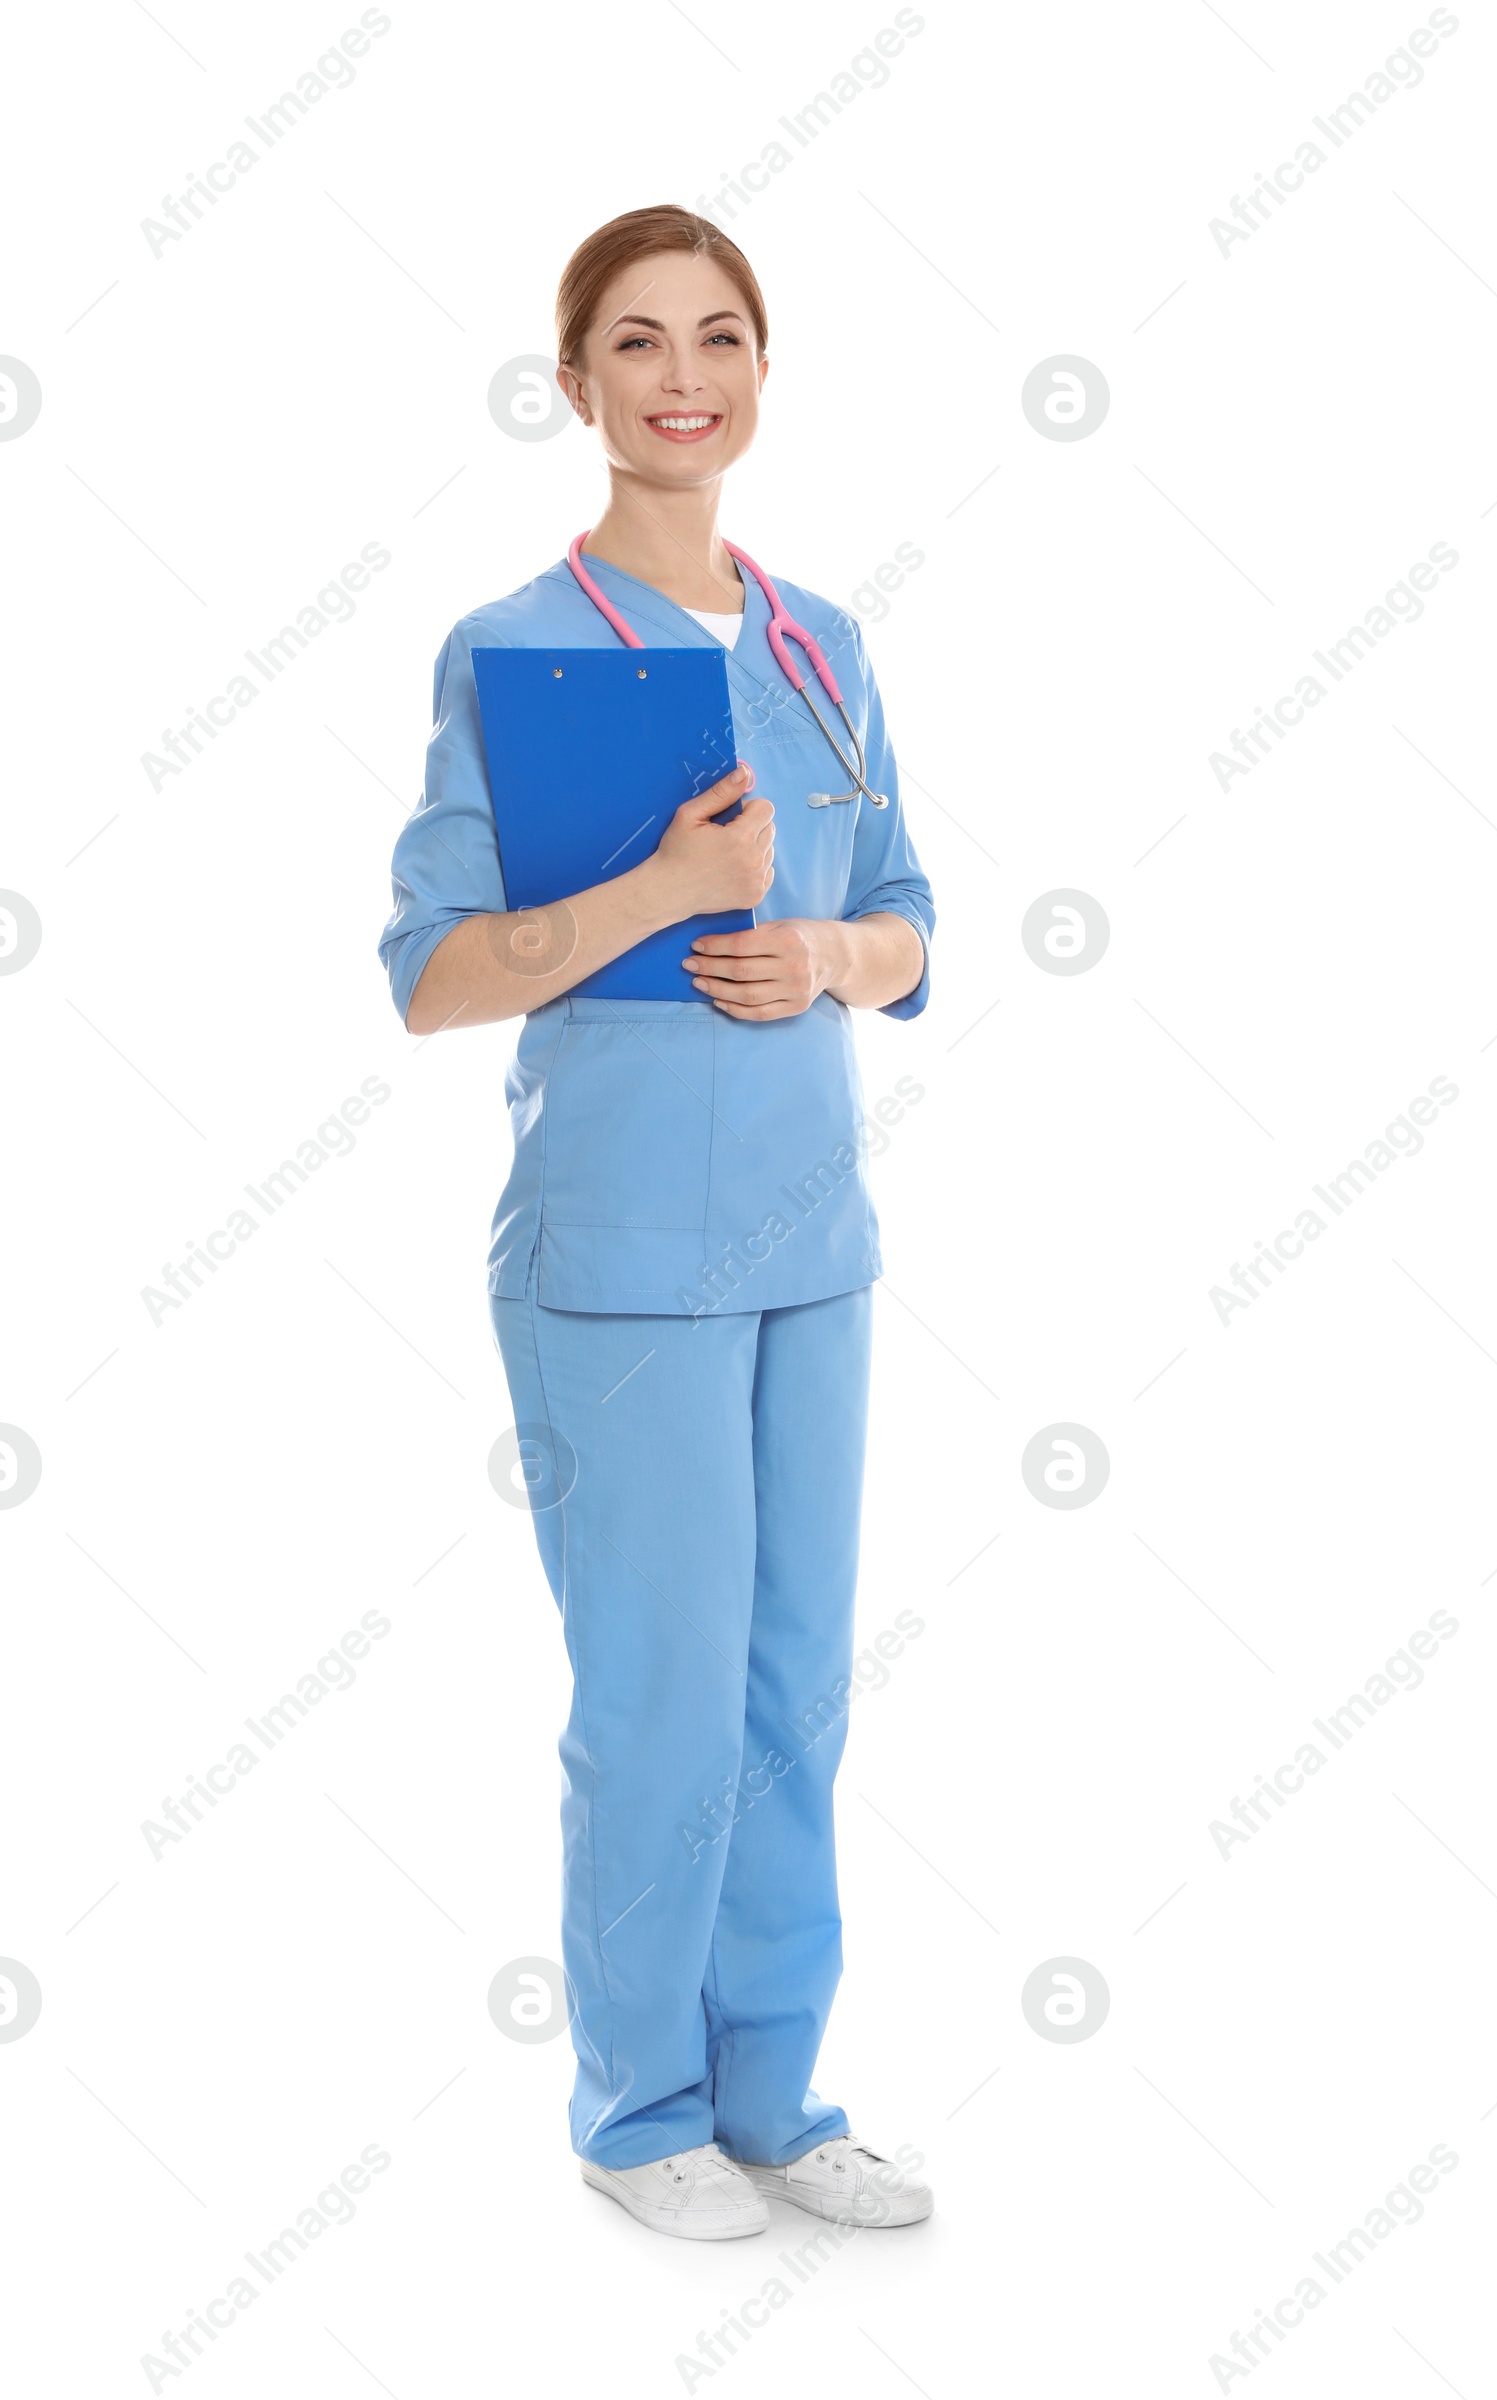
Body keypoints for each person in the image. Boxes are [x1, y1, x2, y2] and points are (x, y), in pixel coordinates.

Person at [379, 204, 936, 2241]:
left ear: (764, 376)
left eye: (718, 336)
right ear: (577, 384)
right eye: (636, 342)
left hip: (813, 1252)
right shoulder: (515, 651)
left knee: (793, 1686)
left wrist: (823, 946)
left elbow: (915, 931)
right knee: (663, 1693)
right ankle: (639, 2116)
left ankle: (778, 2097)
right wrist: (662, 897)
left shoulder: (822, 649)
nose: (681, 373)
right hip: (616, 1264)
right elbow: (433, 976)